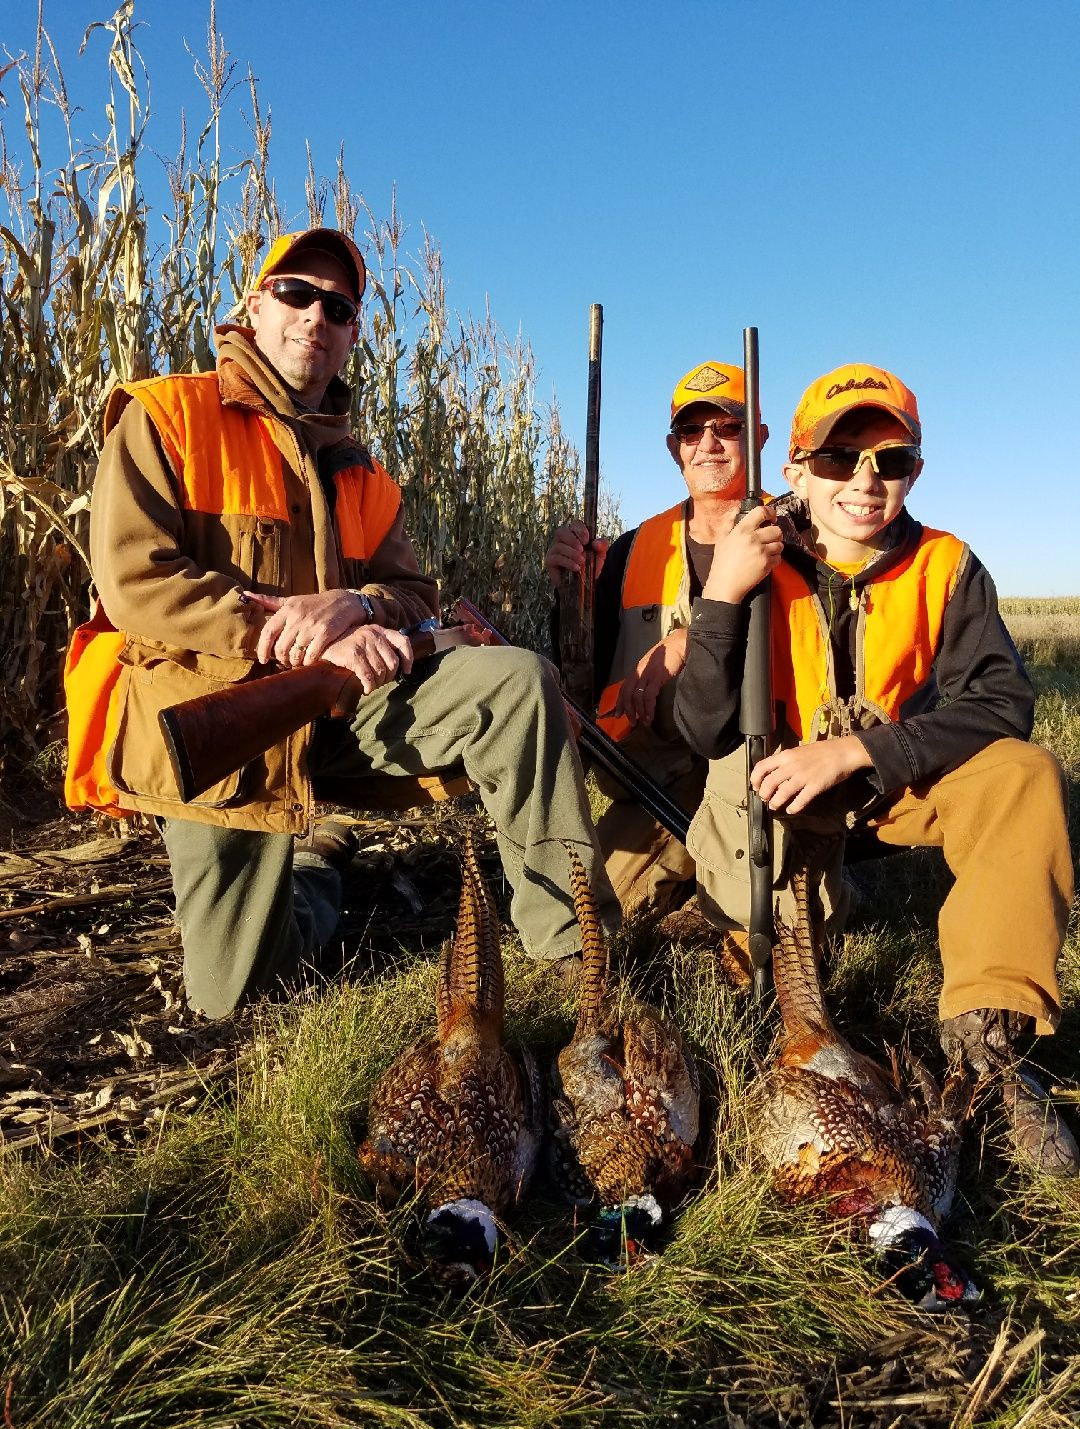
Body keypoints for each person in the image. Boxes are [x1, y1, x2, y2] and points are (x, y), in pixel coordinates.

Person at [64, 226, 619, 1018]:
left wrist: (360, 607)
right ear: (254, 306)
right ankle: (319, 868)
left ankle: (573, 948)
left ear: (352, 334)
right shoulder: (166, 418)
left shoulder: (362, 470)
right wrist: (274, 626)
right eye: (296, 294)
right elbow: (134, 582)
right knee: (238, 993)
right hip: (219, 724)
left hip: (338, 708)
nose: (315, 317)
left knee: (519, 682)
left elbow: (413, 588)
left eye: (339, 306)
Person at [674, 362, 1078, 1175]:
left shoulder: (947, 565)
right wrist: (721, 597)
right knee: (778, 967)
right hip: (775, 784)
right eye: (837, 460)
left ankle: (988, 1051)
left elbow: (1002, 703)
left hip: (893, 780)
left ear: (914, 473)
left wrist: (863, 750)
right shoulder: (747, 554)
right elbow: (701, 725)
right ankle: (760, 962)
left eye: (890, 461)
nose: (865, 482)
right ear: (794, 468)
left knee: (1027, 775)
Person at [545, 361, 767, 952]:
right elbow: (586, 679)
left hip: (760, 781)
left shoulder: (797, 532)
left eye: (729, 427)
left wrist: (689, 639)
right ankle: (692, 873)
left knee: (770, 936)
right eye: (692, 432)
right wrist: (571, 596)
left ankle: (801, 871)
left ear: (761, 438)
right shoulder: (633, 548)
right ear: (675, 449)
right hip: (659, 781)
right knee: (589, 922)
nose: (709, 445)